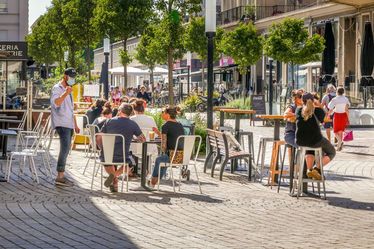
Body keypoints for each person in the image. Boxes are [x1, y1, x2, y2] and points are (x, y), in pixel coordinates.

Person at [98, 103, 146, 192]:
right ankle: (115, 176)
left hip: (107, 155)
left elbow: (99, 136)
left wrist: (101, 148)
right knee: (132, 163)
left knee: (107, 160)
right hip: (123, 155)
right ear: (130, 113)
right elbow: (143, 139)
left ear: (119, 111)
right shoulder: (133, 124)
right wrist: (136, 139)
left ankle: (114, 179)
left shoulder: (109, 121)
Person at [296, 92, 336, 180]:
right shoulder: (318, 110)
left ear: (302, 101)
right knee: (332, 152)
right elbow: (326, 119)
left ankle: (309, 170)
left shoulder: (298, 110)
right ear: (313, 100)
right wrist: (320, 105)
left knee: (309, 147)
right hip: (316, 140)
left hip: (300, 141)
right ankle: (316, 169)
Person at [50, 68, 80, 186]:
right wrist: (65, 93)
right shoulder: (58, 88)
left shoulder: (69, 89)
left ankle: (61, 174)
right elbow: (56, 102)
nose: (73, 79)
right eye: (71, 76)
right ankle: (60, 176)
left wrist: (75, 124)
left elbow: (70, 110)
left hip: (68, 123)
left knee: (67, 149)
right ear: (65, 76)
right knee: (65, 148)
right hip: (61, 122)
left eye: (74, 77)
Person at [149, 106, 185, 187]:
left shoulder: (165, 125)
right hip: (181, 156)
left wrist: (161, 148)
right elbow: (172, 138)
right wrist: (159, 133)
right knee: (163, 158)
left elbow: (164, 145)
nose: (161, 114)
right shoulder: (180, 125)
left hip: (172, 156)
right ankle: (154, 181)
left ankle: (152, 182)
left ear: (167, 114)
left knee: (159, 159)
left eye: (163, 112)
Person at [328, 87, 350, 151]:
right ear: (343, 92)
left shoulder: (335, 99)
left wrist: (328, 115)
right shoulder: (346, 99)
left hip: (337, 115)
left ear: (337, 92)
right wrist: (348, 119)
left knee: (335, 131)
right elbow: (347, 110)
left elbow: (330, 108)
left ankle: (340, 141)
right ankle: (339, 146)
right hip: (344, 115)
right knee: (341, 131)